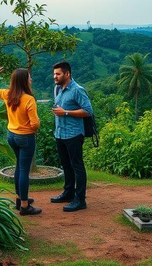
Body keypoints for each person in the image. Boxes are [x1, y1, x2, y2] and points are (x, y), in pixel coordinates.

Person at [0, 66, 41, 216]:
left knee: (19, 166)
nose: (31, 79)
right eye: (29, 77)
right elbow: (35, 124)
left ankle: (20, 199)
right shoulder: (29, 99)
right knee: (24, 170)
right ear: (24, 81)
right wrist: (35, 125)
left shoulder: (8, 94)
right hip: (26, 137)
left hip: (11, 136)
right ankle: (24, 206)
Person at [50, 61, 93, 212]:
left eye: (58, 74)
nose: (54, 76)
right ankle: (68, 193)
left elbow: (88, 111)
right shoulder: (57, 89)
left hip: (74, 134)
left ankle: (80, 200)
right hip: (60, 133)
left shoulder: (77, 90)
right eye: (54, 73)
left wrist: (66, 112)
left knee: (77, 166)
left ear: (67, 74)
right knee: (66, 165)